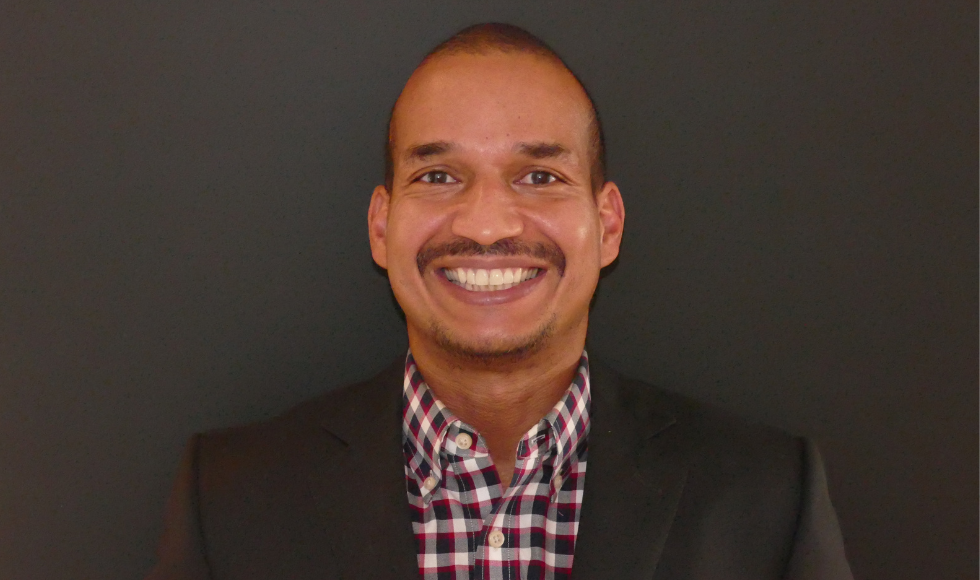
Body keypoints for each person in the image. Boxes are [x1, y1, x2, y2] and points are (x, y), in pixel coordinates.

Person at [146, 23, 853, 580]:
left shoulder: (765, 499)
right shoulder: (232, 500)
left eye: (540, 175)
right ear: (381, 226)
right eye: (440, 175)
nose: (487, 224)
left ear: (607, 226)